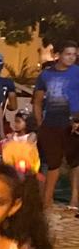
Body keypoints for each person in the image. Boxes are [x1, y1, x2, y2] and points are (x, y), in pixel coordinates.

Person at [31, 41, 79, 210]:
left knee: (75, 161)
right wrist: (39, 124)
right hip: (51, 123)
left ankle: (74, 200)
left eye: (74, 54)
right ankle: (47, 200)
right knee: (53, 162)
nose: (72, 58)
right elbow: (37, 101)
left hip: (73, 123)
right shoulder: (46, 75)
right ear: (58, 55)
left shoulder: (77, 73)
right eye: (68, 54)